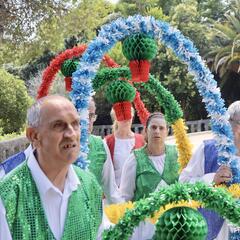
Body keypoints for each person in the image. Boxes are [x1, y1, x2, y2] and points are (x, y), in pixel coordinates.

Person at [0, 95, 103, 240]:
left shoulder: (90, 185)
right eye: (58, 125)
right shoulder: (7, 197)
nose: (71, 134)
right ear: (34, 136)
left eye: (75, 124)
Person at [179, 101, 240, 240]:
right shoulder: (207, 149)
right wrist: (212, 179)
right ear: (229, 123)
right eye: (237, 123)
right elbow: (183, 184)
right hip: (211, 234)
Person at [120, 112, 179, 239]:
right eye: (153, 127)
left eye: (161, 128)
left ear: (167, 131)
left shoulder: (177, 155)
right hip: (143, 228)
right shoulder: (134, 159)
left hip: (173, 226)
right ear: (146, 131)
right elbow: (125, 197)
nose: (157, 131)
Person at [87, 97, 122, 204]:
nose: (87, 121)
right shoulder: (60, 146)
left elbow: (111, 190)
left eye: (91, 116)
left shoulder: (100, 145)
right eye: (81, 113)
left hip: (95, 215)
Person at [105, 107, 145, 186]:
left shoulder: (142, 140)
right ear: (115, 117)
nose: (126, 119)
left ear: (132, 117)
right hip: (115, 193)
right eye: (122, 115)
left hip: (138, 193)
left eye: (128, 115)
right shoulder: (107, 141)